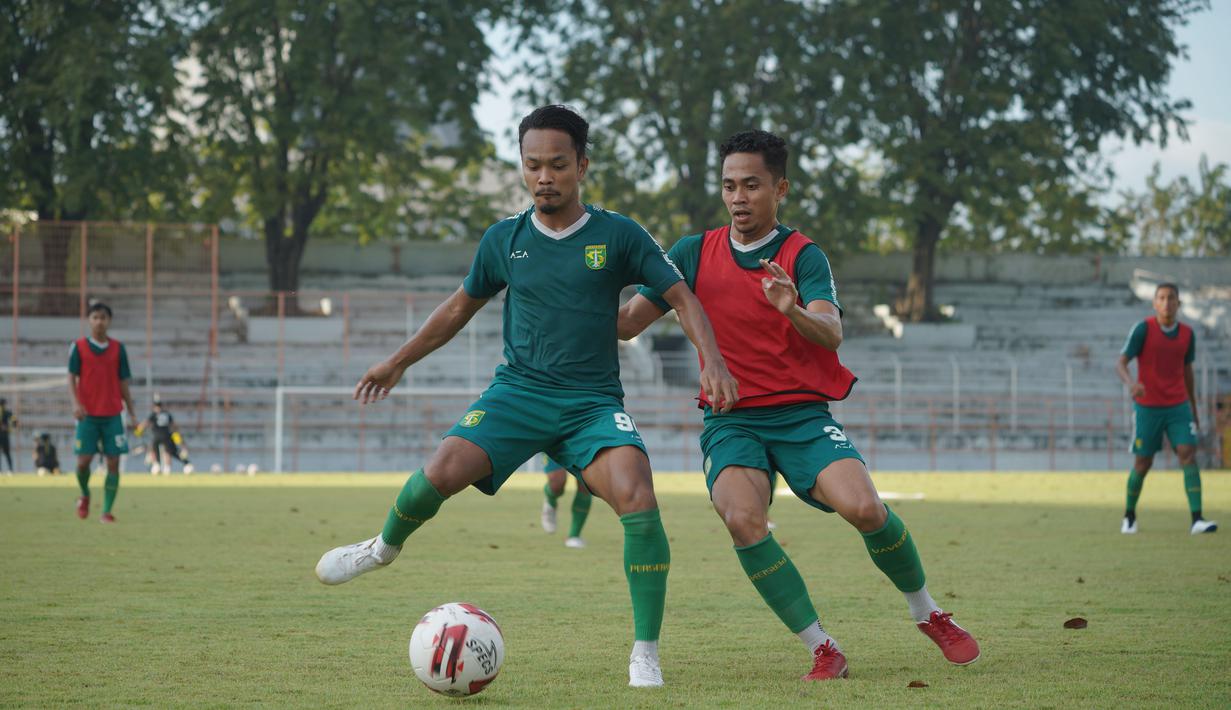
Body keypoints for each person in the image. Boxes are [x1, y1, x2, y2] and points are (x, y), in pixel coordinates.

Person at [313, 105, 739, 688]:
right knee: (442, 469)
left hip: (591, 403)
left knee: (639, 496)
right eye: (533, 164)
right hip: (518, 393)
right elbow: (458, 309)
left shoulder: (619, 234)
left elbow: (683, 298)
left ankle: (645, 651)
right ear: (522, 167)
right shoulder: (503, 239)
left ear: (581, 166)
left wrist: (711, 360)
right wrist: (398, 361)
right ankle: (382, 548)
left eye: (558, 165)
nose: (544, 176)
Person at [618, 130, 980, 681]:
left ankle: (927, 612)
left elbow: (831, 333)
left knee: (864, 508)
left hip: (802, 417)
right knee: (741, 518)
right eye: (729, 186)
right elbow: (626, 324)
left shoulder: (802, 254)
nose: (739, 197)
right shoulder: (692, 252)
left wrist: (792, 309)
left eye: (752, 185)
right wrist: (569, 294)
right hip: (731, 421)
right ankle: (822, 645)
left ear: (779, 188)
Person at [1116, 283, 1216, 535]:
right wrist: (1131, 384)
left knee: (1187, 452)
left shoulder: (1187, 334)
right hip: (1148, 406)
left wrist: (1193, 406)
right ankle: (1129, 516)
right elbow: (1121, 362)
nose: (1167, 302)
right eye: (1161, 298)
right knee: (1143, 462)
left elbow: (1187, 371)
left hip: (1178, 405)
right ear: (1154, 303)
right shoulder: (1143, 330)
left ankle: (1197, 519)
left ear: (1178, 303)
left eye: (1171, 298)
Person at [68, 302, 138, 522]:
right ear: (89, 320)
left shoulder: (118, 349)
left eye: (103, 317)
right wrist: (75, 403)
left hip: (112, 415)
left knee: (113, 462)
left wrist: (132, 412)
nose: (99, 321)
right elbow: (71, 376)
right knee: (82, 462)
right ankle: (85, 494)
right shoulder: (78, 347)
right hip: (87, 415)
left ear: (109, 321)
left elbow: (123, 381)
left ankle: (106, 511)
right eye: (95, 317)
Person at [540, 454, 593, 548]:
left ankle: (574, 535)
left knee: (586, 483)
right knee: (557, 484)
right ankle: (550, 501)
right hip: (555, 441)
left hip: (583, 441)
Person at [135, 398, 193, 475]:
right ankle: (167, 468)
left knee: (153, 450)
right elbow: (174, 426)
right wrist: (177, 435)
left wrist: (139, 430)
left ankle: (156, 466)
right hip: (167, 435)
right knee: (167, 451)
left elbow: (145, 423)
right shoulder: (167, 414)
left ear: (154, 406)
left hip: (156, 435)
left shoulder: (154, 414)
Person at [0, 397, 16, 474]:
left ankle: (10, 469)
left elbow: (15, 422)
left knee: (7, 453)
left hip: (4, 436)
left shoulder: (7, 413)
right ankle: (9, 469)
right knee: (7, 453)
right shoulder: (7, 412)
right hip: (4, 436)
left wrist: (7, 428)